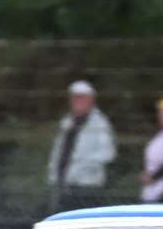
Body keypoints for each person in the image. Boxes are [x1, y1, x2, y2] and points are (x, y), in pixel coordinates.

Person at [47, 79, 117, 213]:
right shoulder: (67, 122)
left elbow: (108, 153)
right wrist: (53, 174)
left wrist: (81, 167)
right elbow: (59, 150)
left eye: (81, 98)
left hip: (87, 186)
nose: (77, 101)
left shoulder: (100, 123)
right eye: (74, 98)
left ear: (91, 100)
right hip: (63, 185)